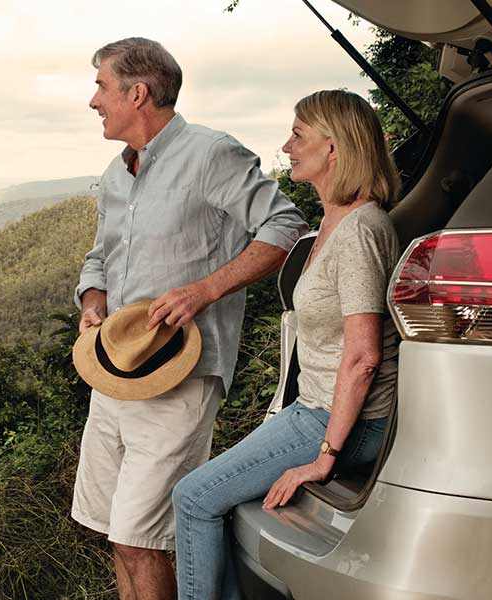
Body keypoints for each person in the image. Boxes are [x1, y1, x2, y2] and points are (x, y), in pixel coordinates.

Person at [72, 37, 308, 600]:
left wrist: (206, 289)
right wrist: (92, 299)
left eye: (101, 86)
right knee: (115, 533)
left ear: (138, 91)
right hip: (114, 371)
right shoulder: (116, 172)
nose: (93, 101)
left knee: (141, 538)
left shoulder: (211, 153)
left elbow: (286, 225)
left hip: (181, 374)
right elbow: (99, 255)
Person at [170, 89, 402, 600]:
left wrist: (324, 457)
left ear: (335, 146)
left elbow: (364, 358)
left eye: (298, 135)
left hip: (339, 421)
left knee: (193, 498)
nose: (286, 146)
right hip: (313, 408)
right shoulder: (334, 220)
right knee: (213, 499)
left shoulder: (361, 229)